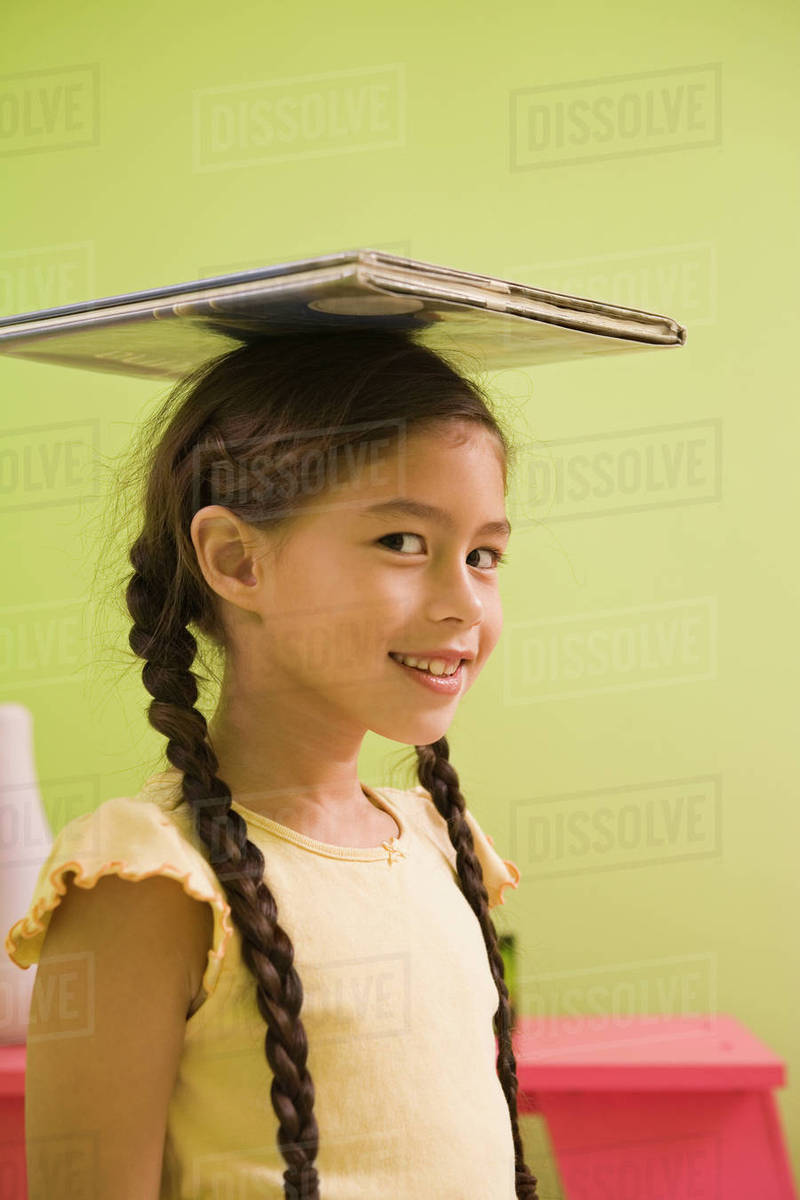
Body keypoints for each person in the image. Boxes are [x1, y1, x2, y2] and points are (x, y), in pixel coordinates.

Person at [5, 327, 539, 1200]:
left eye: (483, 555)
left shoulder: (445, 843)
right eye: (403, 541)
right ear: (237, 560)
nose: (463, 602)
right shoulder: (151, 881)